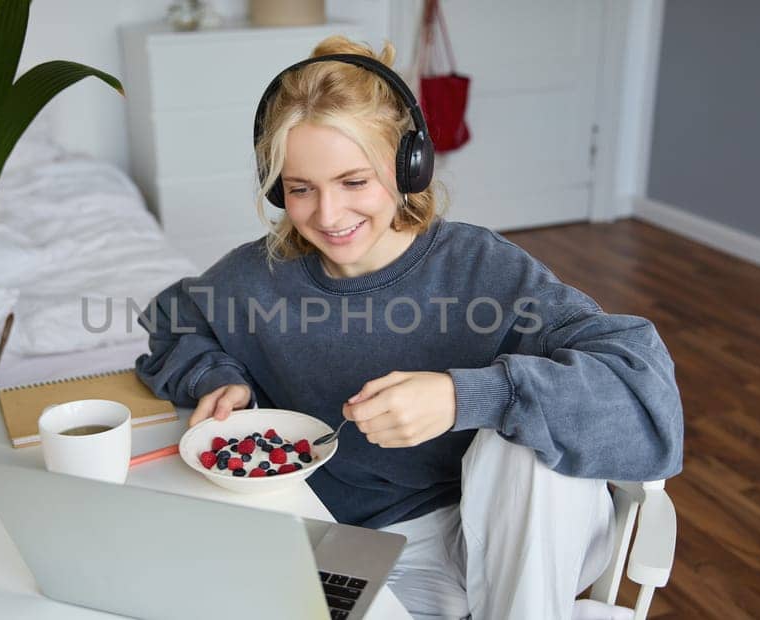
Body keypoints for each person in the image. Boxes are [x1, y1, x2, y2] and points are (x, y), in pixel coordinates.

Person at [134, 35, 683, 619]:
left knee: (523, 440)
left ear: (407, 166)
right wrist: (218, 374)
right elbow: (174, 322)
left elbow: (642, 388)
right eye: (301, 189)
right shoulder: (255, 279)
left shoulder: (481, 268)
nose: (328, 214)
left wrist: (464, 395)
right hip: (367, 547)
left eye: (354, 181)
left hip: (514, 533)